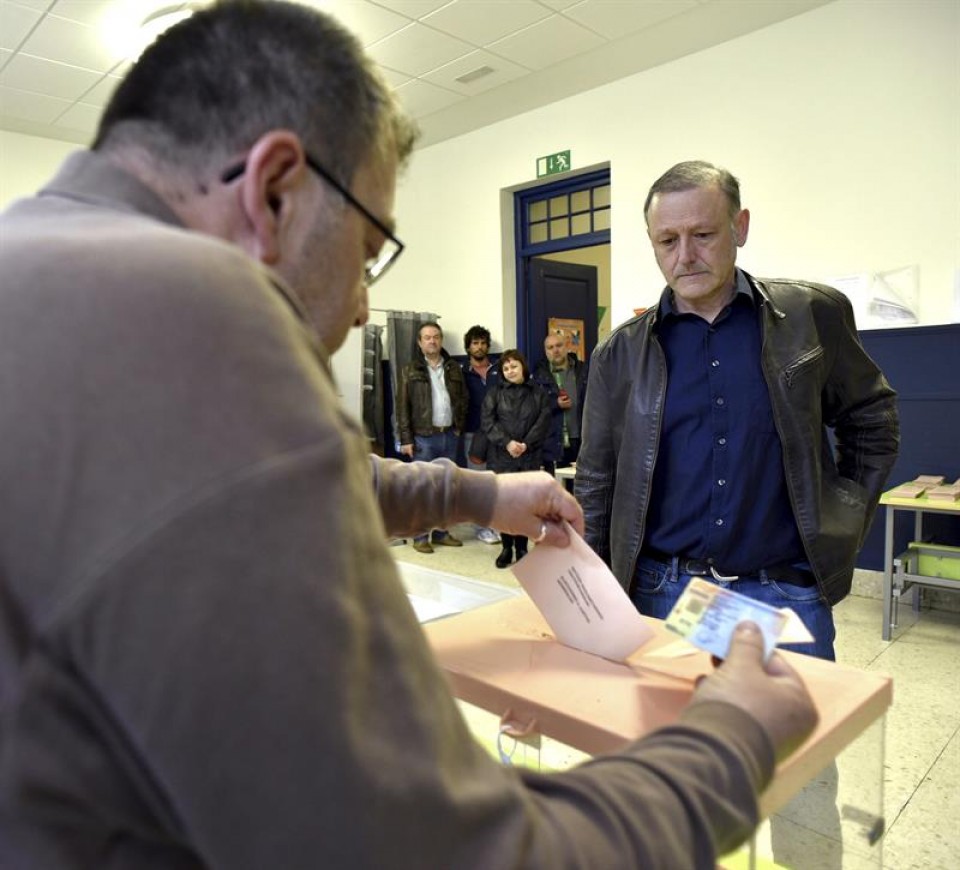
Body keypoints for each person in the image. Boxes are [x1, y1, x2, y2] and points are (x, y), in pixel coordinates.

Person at [0, 5, 818, 866]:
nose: (361, 306)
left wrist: (477, 493)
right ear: (275, 188)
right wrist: (732, 738)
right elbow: (451, 851)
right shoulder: (191, 320)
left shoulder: (40, 262)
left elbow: (288, 477)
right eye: (367, 252)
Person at [576, 160, 899, 662]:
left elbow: (871, 419)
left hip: (783, 593)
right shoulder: (618, 354)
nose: (685, 256)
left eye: (703, 234)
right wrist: (594, 600)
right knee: (675, 737)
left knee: (793, 739)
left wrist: (844, 514)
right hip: (664, 593)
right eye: (667, 241)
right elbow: (596, 480)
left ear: (739, 226)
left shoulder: (812, 316)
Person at [473, 349, 552, 568]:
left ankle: (522, 548)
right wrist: (507, 442)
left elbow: (543, 421)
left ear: (523, 367)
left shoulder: (538, 393)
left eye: (514, 366)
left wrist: (525, 444)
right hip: (501, 457)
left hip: (529, 456)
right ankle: (506, 547)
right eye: (506, 368)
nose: (510, 371)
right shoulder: (494, 393)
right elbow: (488, 422)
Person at [396, 321, 468, 553]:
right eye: (427, 337)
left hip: (449, 435)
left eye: (436, 336)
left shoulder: (453, 368)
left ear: (441, 340)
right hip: (423, 438)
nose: (432, 341)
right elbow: (402, 407)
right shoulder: (410, 370)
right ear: (419, 342)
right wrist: (406, 439)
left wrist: (458, 428)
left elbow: (463, 399)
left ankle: (441, 532)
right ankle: (419, 536)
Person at [461, 324, 501, 544]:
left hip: (499, 435)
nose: (479, 347)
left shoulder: (500, 368)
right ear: (468, 347)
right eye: (475, 343)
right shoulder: (461, 372)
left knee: (497, 483)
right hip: (473, 434)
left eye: (483, 343)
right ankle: (481, 528)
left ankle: (497, 525)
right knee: (478, 484)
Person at [533, 331, 588, 476]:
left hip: (581, 439)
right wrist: (555, 404)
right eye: (550, 348)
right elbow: (532, 408)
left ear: (567, 346)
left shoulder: (583, 370)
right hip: (553, 441)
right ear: (545, 351)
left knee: (581, 488)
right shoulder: (538, 375)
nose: (555, 350)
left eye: (559, 345)